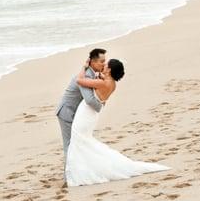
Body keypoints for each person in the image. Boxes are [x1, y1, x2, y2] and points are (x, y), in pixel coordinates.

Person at [65, 58, 171, 187]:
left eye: (106, 64)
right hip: (90, 115)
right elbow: (101, 79)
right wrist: (99, 73)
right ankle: (83, 169)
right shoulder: (111, 83)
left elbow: (80, 80)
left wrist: (84, 67)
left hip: (86, 114)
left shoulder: (103, 83)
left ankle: (83, 172)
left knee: (80, 141)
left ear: (109, 69)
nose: (103, 65)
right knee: (83, 141)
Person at [54, 48, 107, 188]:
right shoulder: (86, 77)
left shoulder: (93, 74)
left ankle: (78, 173)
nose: (104, 64)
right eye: (102, 61)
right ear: (92, 62)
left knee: (78, 144)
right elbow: (89, 100)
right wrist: (100, 106)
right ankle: (68, 179)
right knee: (69, 145)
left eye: (105, 61)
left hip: (76, 114)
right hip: (66, 113)